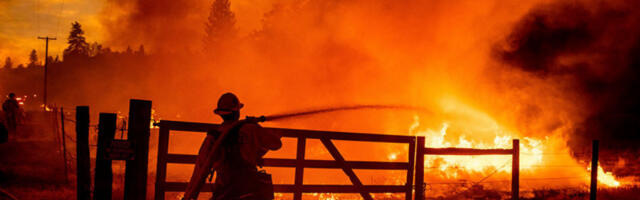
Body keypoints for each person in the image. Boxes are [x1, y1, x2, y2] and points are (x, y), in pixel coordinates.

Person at [183, 93, 282, 200]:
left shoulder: (213, 137)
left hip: (224, 191)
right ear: (237, 112)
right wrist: (256, 126)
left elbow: (200, 169)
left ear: (220, 114)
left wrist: (188, 196)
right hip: (250, 191)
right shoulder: (250, 129)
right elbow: (276, 144)